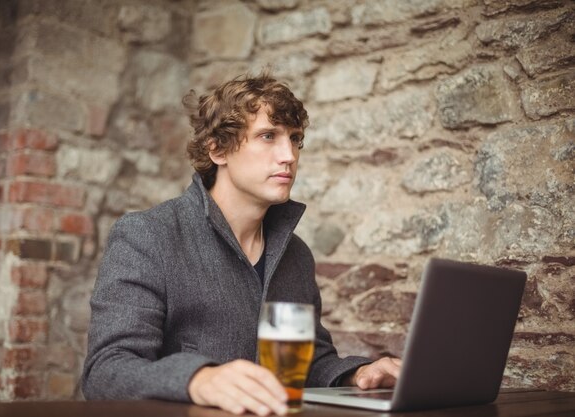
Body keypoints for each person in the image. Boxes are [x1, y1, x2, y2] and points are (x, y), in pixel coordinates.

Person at [81, 73, 401, 416]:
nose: (289, 155)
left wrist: (357, 373)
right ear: (217, 149)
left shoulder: (297, 256)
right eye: (268, 136)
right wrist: (199, 380)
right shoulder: (147, 236)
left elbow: (306, 363)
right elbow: (106, 371)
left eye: (295, 139)